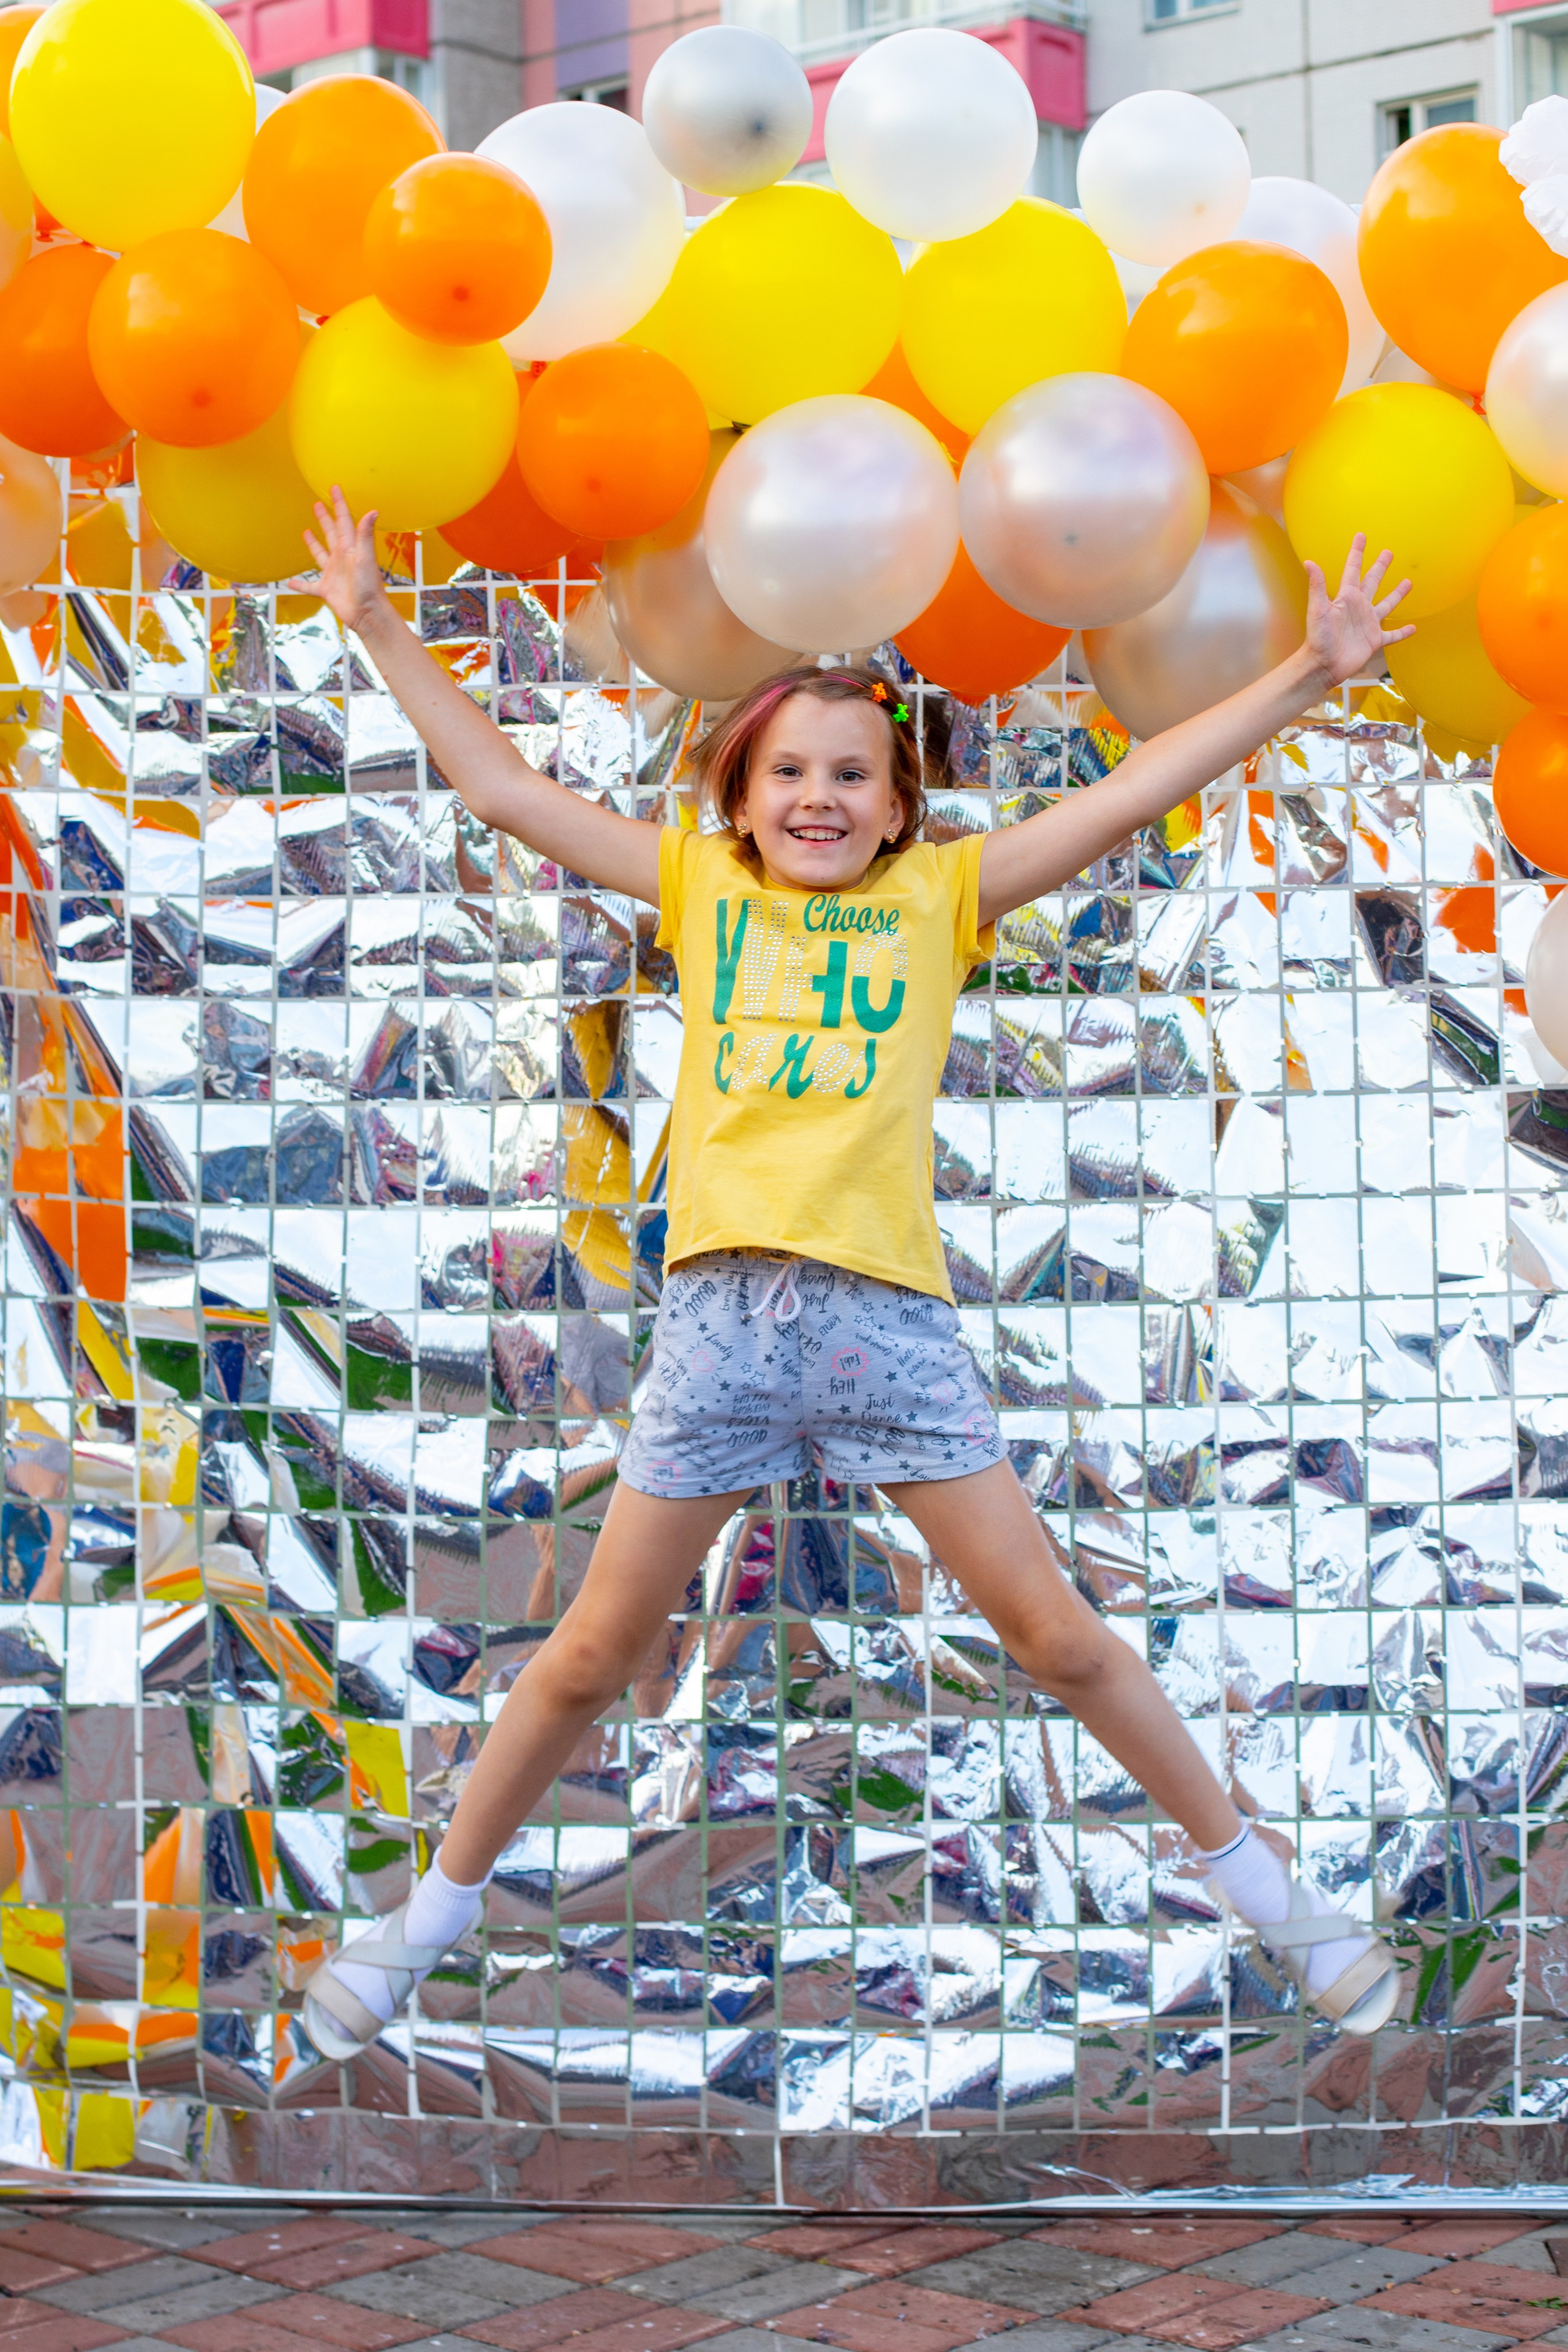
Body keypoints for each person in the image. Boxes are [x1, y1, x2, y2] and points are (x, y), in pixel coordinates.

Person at [296, 490, 1414, 2060]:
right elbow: (492, 783)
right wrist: (368, 614)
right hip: (717, 1329)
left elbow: (1135, 792)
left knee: (1062, 1640)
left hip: (885, 1323)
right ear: (739, 802)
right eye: (788, 775)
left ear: (900, 810)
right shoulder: (699, 889)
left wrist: (1304, 672)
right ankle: (425, 1921)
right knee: (590, 1657)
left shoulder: (936, 901)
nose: (818, 798)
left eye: (851, 776)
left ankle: (1276, 1901)